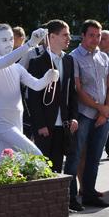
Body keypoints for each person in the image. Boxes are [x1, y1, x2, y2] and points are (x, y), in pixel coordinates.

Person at [26, 20, 79, 206]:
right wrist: (40, 124)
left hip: (62, 123)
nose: (68, 38)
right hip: (45, 125)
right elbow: (33, 98)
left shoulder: (68, 60)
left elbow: (71, 92)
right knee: (42, 165)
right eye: (65, 34)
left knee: (57, 165)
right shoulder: (37, 62)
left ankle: (54, 205)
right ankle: (39, 203)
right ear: (52, 37)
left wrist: (73, 116)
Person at [0, 24, 55, 158]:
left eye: (11, 39)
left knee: (6, 164)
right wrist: (30, 44)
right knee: (36, 155)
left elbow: (37, 85)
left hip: (17, 122)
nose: (9, 43)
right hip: (2, 124)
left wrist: (48, 78)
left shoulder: (17, 68)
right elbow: (5, 61)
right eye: (4, 40)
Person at [65, 20, 109, 209]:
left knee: (95, 157)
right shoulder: (73, 57)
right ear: (83, 35)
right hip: (84, 113)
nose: (95, 39)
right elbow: (77, 89)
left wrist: (106, 109)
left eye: (98, 35)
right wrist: (99, 108)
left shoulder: (104, 57)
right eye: (91, 35)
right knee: (75, 155)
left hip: (103, 116)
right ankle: (70, 197)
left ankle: (89, 193)